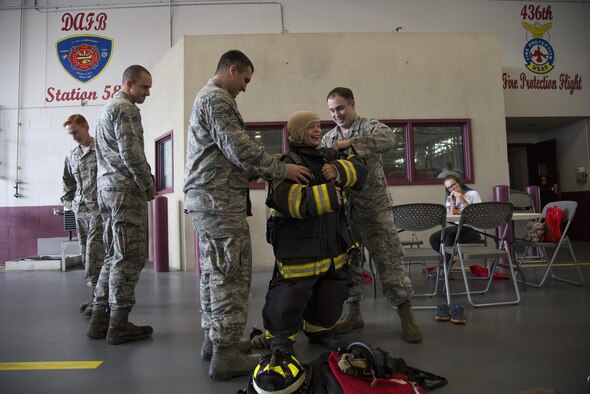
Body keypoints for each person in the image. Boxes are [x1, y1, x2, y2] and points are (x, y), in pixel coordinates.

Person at [183, 50, 311, 381]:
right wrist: (281, 170)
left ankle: (215, 342)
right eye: (245, 80)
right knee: (231, 275)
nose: (245, 87)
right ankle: (225, 355)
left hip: (208, 200)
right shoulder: (218, 99)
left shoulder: (207, 98)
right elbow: (239, 148)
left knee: (214, 273)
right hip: (218, 202)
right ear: (232, 69)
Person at [321, 87, 422, 344]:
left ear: (352, 104)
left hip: (374, 209)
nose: (337, 114)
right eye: (332, 110)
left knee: (389, 262)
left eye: (341, 108)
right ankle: (353, 313)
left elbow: (389, 139)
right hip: (344, 212)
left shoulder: (369, 127)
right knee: (350, 265)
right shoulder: (328, 138)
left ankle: (406, 315)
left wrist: (352, 143)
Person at [261, 111, 366, 356]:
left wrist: (339, 170)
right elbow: (284, 200)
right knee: (289, 296)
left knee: (331, 292)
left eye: (319, 126)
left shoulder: (328, 157)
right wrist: (329, 195)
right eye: (311, 127)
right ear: (298, 132)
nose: (317, 131)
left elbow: (361, 171)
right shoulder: (286, 162)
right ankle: (281, 338)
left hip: (332, 246)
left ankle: (319, 330)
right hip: (299, 249)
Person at [87, 65, 156, 345]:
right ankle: (119, 324)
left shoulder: (106, 108)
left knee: (112, 255)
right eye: (144, 87)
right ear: (129, 83)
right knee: (129, 256)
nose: (148, 93)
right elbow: (131, 152)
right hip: (125, 191)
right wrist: (147, 182)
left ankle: (98, 321)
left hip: (107, 190)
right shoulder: (126, 109)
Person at [61, 114, 104, 316]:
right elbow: (67, 183)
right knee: (86, 255)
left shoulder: (102, 150)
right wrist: (70, 203)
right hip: (81, 212)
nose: (74, 137)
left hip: (99, 211)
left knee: (95, 254)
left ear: (86, 127)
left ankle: (99, 300)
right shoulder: (72, 156)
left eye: (76, 132)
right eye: (70, 134)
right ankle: (97, 295)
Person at [428, 174, 482, 324]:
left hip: (470, 229)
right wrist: (451, 202)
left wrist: (462, 199)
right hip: (456, 227)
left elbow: (475, 215)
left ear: (459, 183)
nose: (452, 189)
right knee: (434, 238)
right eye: (449, 188)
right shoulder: (449, 197)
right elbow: (450, 218)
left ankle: (443, 269)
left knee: (449, 239)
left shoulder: (472, 194)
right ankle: (446, 265)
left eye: (453, 185)